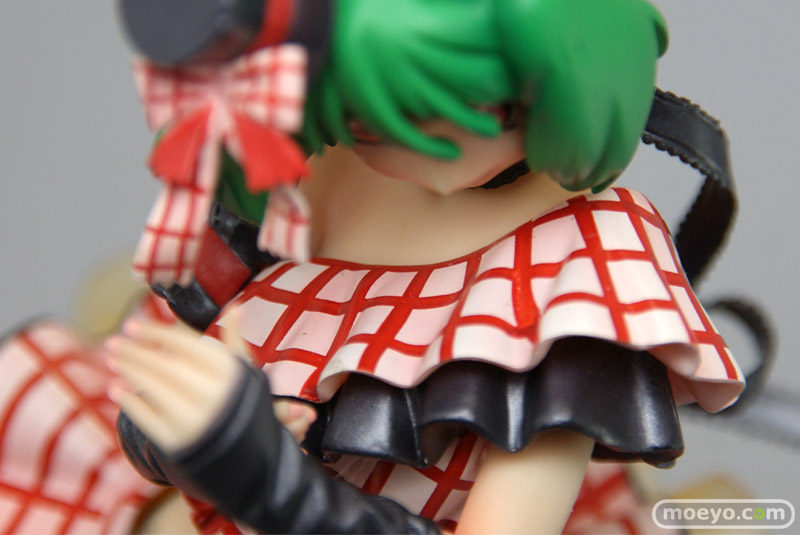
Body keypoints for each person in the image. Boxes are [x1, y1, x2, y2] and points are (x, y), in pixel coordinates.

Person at [110, 1, 745, 533]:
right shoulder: (327, 174)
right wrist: (182, 434)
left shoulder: (582, 262)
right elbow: (183, 379)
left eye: (475, 107)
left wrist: (275, 486)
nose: (418, 145)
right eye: (367, 118)